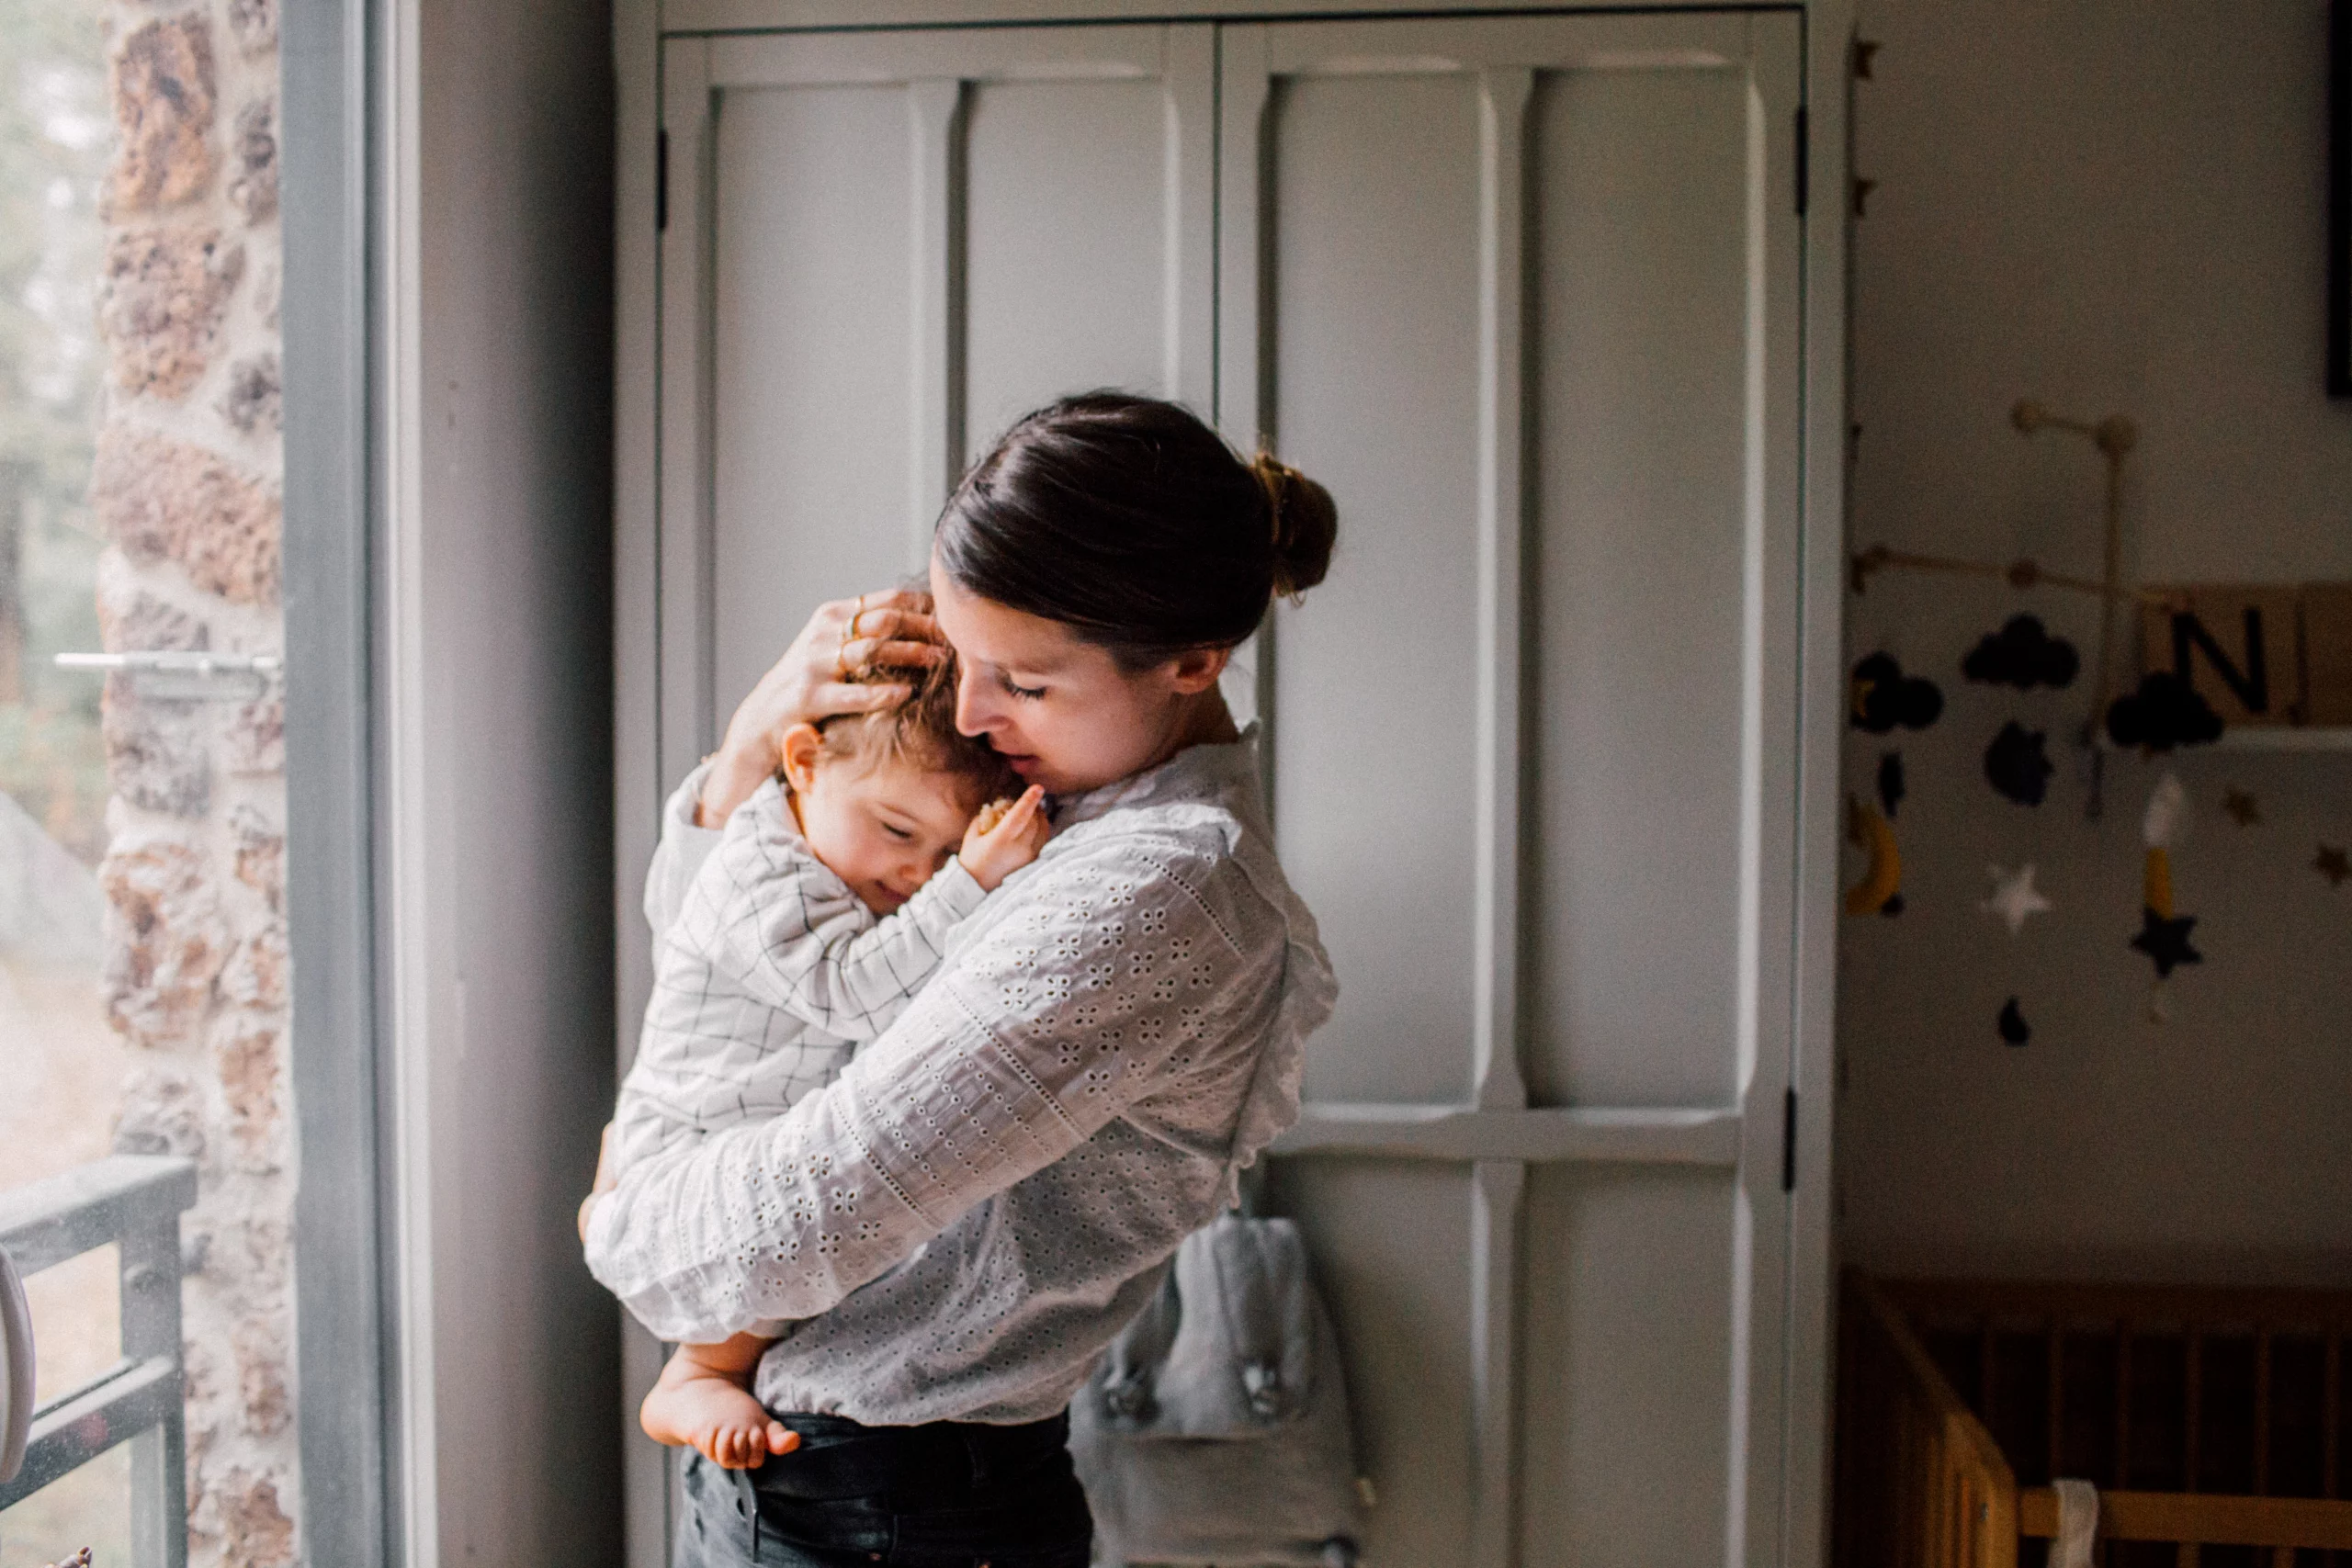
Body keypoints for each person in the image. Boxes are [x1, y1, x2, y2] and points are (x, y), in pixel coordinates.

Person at [582, 391, 1340, 1568]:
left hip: (900, 1511)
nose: (972, 716)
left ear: (1194, 662)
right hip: (824, 1480)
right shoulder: (1050, 795)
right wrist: (750, 753)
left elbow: (816, 1207)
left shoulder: (1160, 888)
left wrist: (618, 1220)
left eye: (1024, 683)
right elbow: (738, 961)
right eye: (962, 655)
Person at [588, 663, 1049, 1472]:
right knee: (752, 1247)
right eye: (900, 831)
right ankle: (694, 1374)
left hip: (752, 1122)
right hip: (689, 1137)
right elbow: (852, 993)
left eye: (946, 850)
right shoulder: (758, 872)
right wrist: (972, 880)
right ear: (802, 762)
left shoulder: (841, 863)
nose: (917, 873)